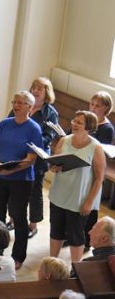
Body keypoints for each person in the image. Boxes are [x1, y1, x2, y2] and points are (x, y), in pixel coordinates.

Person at [0, 91, 42, 269]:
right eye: (14, 101)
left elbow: (30, 160)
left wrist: (9, 171)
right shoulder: (4, 123)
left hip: (21, 180)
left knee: (18, 217)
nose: (16, 105)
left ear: (30, 107)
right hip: (0, 176)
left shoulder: (34, 129)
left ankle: (18, 256)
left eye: (21, 102)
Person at [49, 111, 105, 263]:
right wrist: (54, 168)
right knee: (56, 231)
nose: (74, 124)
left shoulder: (96, 147)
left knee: (76, 236)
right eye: (74, 120)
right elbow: (54, 164)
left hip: (78, 200)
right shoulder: (64, 141)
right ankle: (52, 262)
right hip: (58, 195)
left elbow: (99, 179)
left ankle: (76, 269)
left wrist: (89, 202)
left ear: (89, 127)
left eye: (79, 122)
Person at [5, 77, 58, 238]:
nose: (35, 91)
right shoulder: (22, 104)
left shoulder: (50, 113)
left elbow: (48, 137)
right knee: (14, 189)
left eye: (39, 89)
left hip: (38, 158)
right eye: (33, 87)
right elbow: (9, 123)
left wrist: (27, 141)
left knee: (34, 192)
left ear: (46, 92)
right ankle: (13, 219)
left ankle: (33, 225)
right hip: (17, 155)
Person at [84, 91, 114, 249]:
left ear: (106, 109)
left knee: (90, 204)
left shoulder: (107, 128)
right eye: (92, 104)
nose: (93, 108)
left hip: (94, 169)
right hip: (81, 166)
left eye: (98, 106)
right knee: (79, 203)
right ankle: (74, 235)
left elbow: (100, 151)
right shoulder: (85, 120)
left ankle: (88, 240)